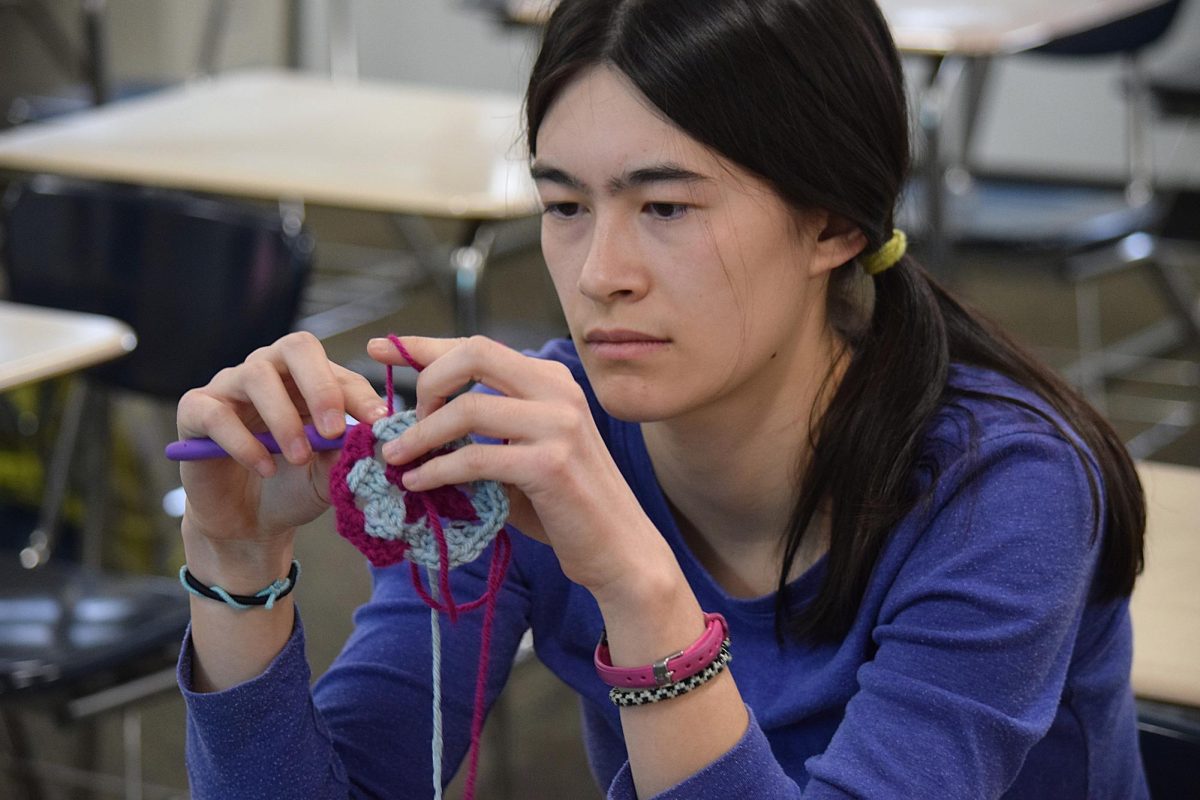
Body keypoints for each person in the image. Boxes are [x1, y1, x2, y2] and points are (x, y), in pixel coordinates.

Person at [174, 0, 1150, 797]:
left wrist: (638, 583)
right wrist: (236, 563)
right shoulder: (527, 438)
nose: (600, 271)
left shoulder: (1005, 489)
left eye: (667, 206)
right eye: (564, 206)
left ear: (834, 222)